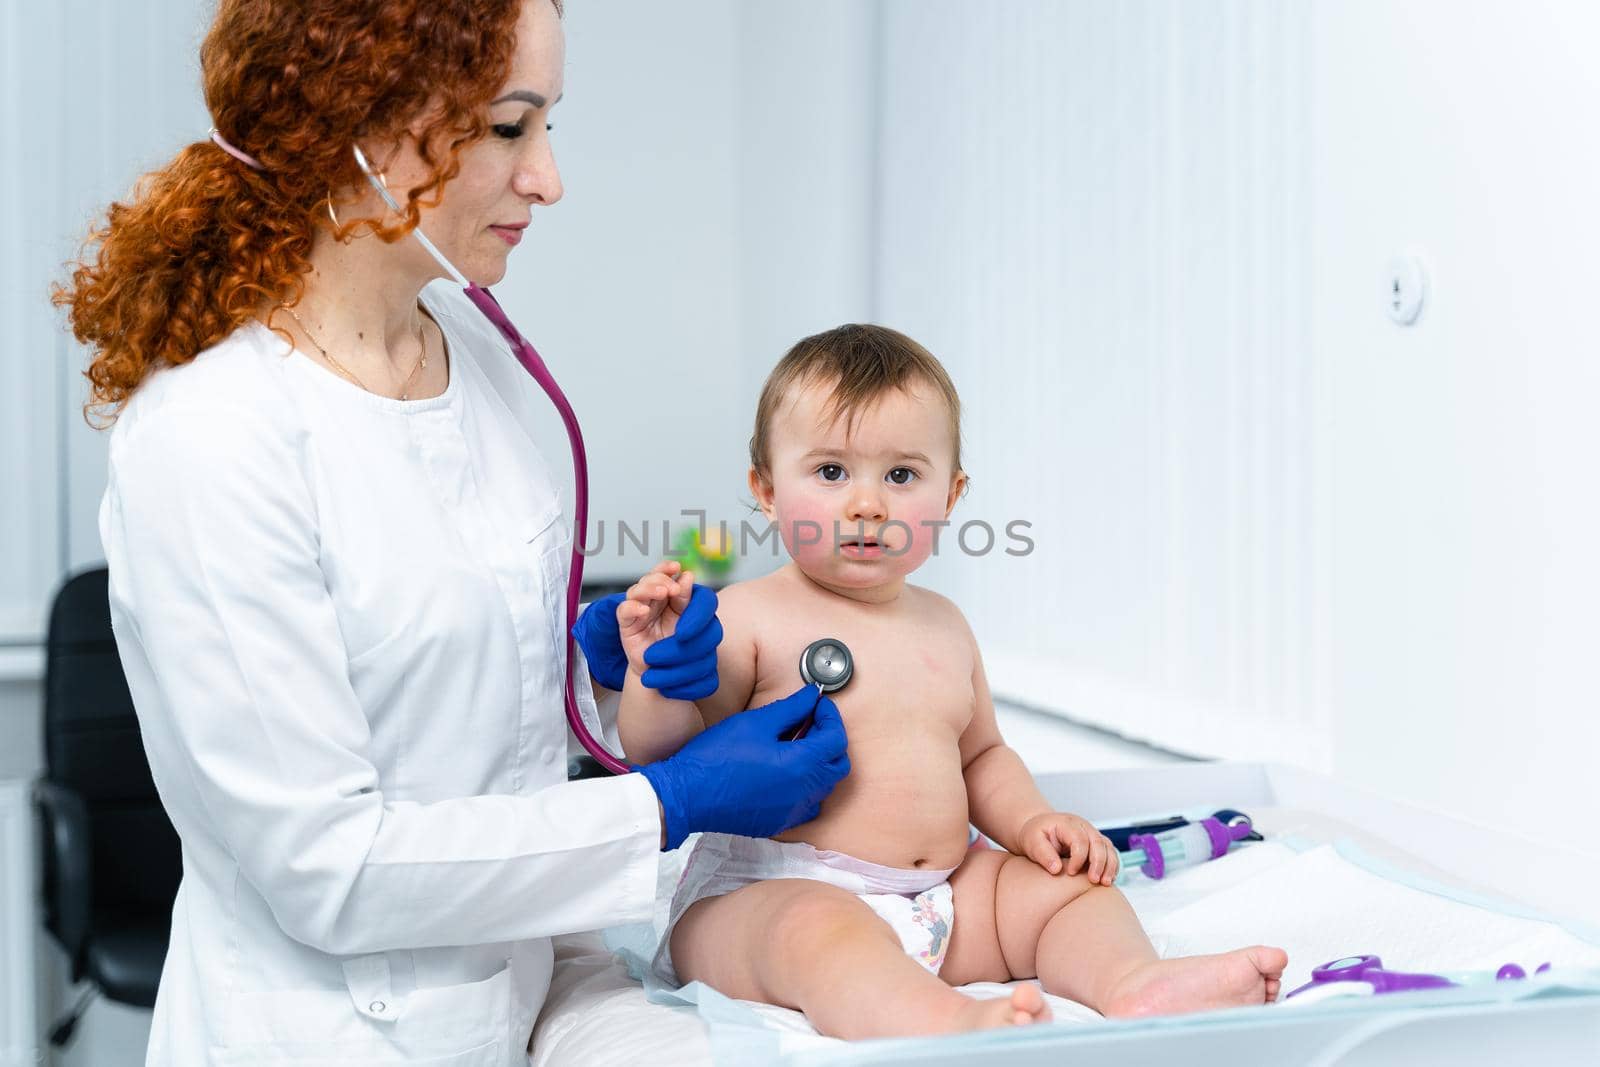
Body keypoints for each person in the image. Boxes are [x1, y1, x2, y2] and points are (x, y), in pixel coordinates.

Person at [54, 1, 847, 1062]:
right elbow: (332, 867)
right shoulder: (214, 437)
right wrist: (668, 803)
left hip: (531, 983)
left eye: (548, 125)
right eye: (510, 127)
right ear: (365, 128)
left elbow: (456, 715)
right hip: (323, 1033)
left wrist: (603, 668)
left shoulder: (473, 354)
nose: (547, 178)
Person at [612, 324, 1289, 1039]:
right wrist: (656, 671)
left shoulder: (945, 626)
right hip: (769, 889)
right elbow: (661, 751)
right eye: (832, 472)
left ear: (952, 493)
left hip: (940, 892)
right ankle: (945, 1022)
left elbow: (982, 756)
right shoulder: (746, 617)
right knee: (816, 930)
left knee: (1063, 892)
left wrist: (1032, 822)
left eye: (901, 475)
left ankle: (1135, 982)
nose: (867, 504)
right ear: (766, 489)